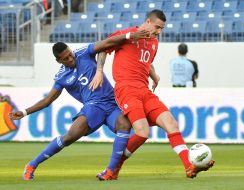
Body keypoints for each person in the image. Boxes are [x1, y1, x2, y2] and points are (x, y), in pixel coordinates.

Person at [8, 29, 150, 181]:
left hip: (112, 103)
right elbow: (47, 100)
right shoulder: (61, 77)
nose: (71, 58)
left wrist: (129, 36)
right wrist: (24, 112)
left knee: (124, 124)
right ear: (59, 61)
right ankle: (31, 165)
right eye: (66, 58)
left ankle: (110, 171)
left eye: (70, 54)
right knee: (69, 137)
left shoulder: (83, 53)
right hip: (92, 107)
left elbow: (107, 43)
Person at [90, 9, 214, 180]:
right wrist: (99, 71)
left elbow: (146, 62)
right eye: (157, 27)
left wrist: (154, 76)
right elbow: (103, 46)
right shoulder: (127, 34)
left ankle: (189, 166)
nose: (159, 32)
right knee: (142, 132)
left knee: (171, 123)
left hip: (144, 90)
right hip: (126, 89)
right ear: (148, 21)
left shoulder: (154, 42)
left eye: (162, 29)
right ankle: (114, 167)